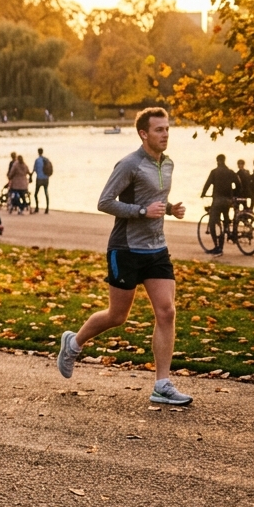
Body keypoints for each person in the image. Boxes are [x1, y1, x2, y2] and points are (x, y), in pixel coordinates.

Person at [56, 107, 192, 406]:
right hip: (126, 248)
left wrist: (170, 209)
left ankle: (162, 384)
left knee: (167, 312)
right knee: (117, 316)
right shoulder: (129, 164)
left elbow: (153, 200)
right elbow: (105, 202)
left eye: (167, 129)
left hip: (157, 249)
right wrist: (143, 212)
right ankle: (73, 343)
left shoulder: (167, 164)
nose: (165, 134)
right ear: (144, 134)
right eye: (159, 130)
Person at [201, 153, 239, 254]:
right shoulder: (230, 172)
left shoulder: (214, 172)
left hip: (217, 201)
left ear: (217, 161)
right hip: (228, 201)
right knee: (225, 220)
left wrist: (203, 194)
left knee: (213, 222)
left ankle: (217, 247)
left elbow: (207, 184)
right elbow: (239, 184)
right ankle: (228, 232)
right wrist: (233, 193)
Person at [33, 147, 51, 214]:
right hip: (46, 178)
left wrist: (31, 176)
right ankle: (47, 208)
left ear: (38, 152)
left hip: (39, 179)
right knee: (46, 193)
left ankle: (37, 207)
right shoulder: (46, 159)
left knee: (36, 194)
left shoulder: (37, 160)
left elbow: (34, 169)